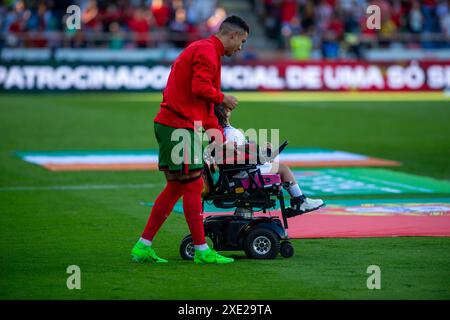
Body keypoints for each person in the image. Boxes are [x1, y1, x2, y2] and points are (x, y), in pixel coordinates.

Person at [131, 16, 249, 264]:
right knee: (194, 186)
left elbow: (202, 105)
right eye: (242, 41)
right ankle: (201, 250)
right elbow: (200, 89)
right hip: (178, 127)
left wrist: (216, 133)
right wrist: (222, 97)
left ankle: (143, 246)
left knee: (176, 187)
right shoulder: (207, 51)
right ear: (233, 35)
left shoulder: (206, 51)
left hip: (172, 123)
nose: (241, 47)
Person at [213, 104, 325, 215]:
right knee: (283, 168)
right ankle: (299, 201)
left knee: (274, 164)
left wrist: (261, 151)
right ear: (225, 113)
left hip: (239, 172)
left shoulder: (223, 132)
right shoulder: (231, 133)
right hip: (243, 174)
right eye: (225, 107)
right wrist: (261, 154)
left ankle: (298, 201)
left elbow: (239, 153)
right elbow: (238, 155)